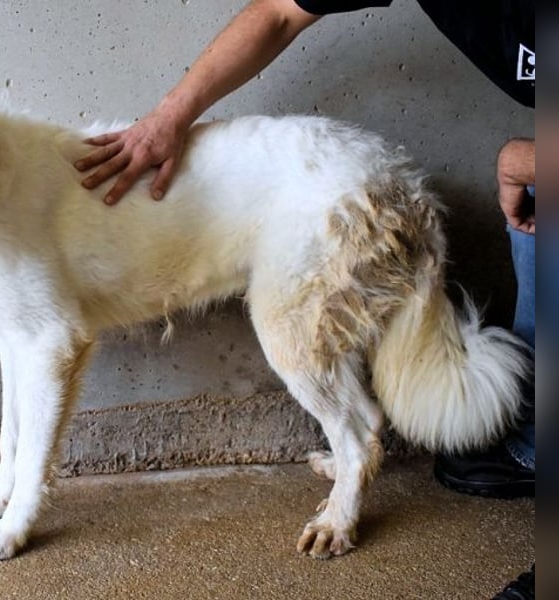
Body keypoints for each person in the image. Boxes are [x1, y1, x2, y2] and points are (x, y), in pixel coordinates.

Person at [74, 1, 535, 598]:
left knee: (289, 336)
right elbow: (279, 12)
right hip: (338, 183)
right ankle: (424, 433)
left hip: (358, 194)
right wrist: (170, 116)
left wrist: (528, 158)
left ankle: (352, 478)